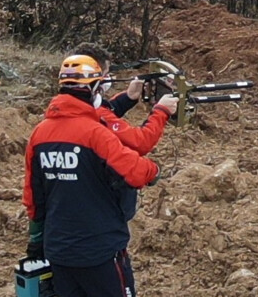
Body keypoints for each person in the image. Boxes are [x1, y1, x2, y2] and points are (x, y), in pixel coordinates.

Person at [24, 53, 170, 297]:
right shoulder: (95, 134)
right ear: (93, 88)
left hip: (58, 249)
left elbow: (33, 196)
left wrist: (36, 241)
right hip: (100, 249)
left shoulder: (40, 134)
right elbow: (134, 172)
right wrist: (153, 171)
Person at [74, 42, 176, 156]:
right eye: (106, 74)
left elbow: (103, 115)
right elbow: (140, 143)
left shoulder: (72, 105)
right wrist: (161, 111)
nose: (109, 78)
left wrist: (127, 98)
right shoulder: (95, 114)